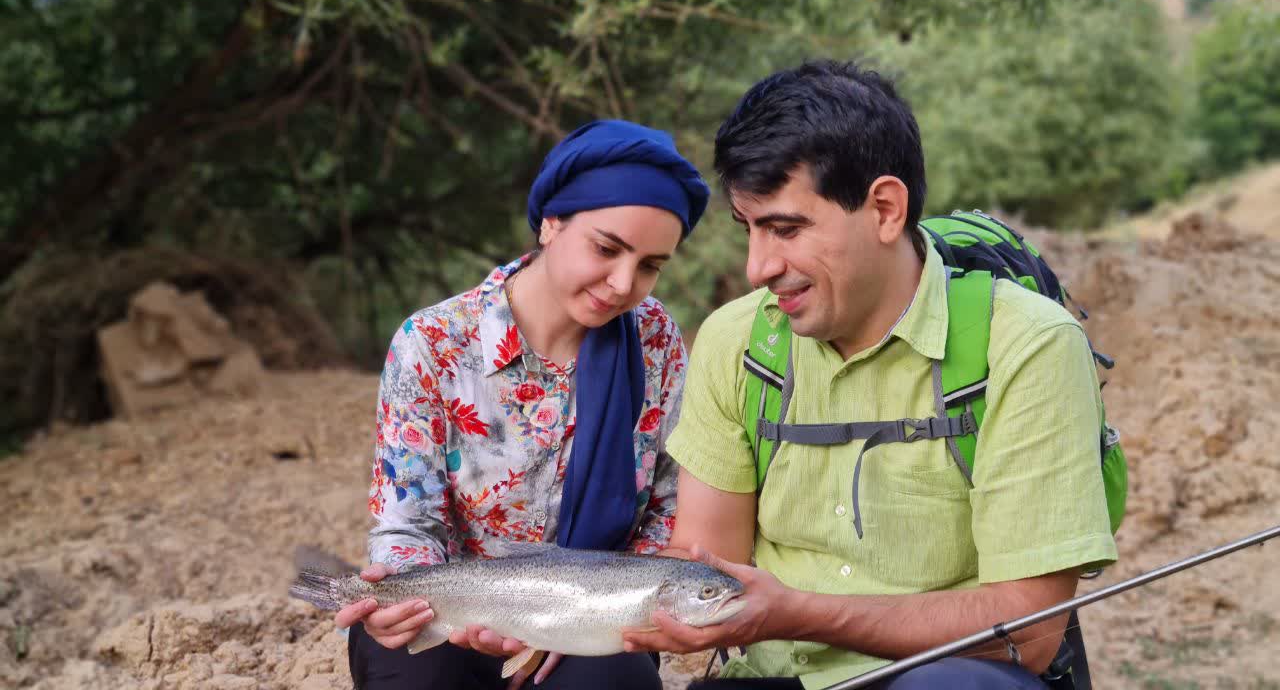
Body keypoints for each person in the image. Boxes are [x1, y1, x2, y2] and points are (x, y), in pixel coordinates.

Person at [620, 60, 1118, 689]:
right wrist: (539, 616)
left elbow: (1030, 631)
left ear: (885, 209)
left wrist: (804, 614)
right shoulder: (737, 340)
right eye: (749, 230)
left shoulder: (1028, 345)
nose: (757, 268)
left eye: (786, 229)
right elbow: (702, 577)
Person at [336, 119, 710, 690]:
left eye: (651, 265)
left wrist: (588, 618)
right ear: (551, 223)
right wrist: (405, 597)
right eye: (607, 248)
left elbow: (667, 504)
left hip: (591, 619)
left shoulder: (654, 341)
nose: (622, 283)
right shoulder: (433, 342)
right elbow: (409, 522)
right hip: (452, 612)